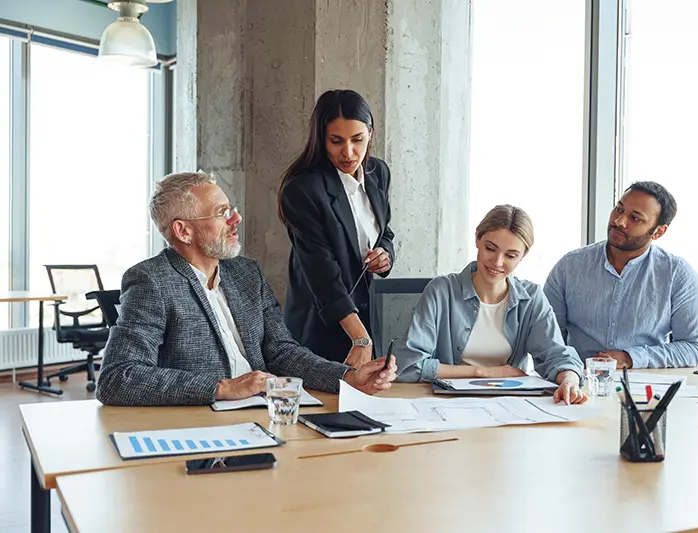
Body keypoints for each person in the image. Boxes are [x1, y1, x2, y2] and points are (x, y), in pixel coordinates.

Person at [95, 172, 396, 407]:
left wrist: (347, 377)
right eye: (221, 212)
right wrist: (223, 387)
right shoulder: (152, 281)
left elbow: (282, 352)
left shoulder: (246, 273)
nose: (236, 219)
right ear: (183, 230)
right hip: (203, 433)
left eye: (232, 209)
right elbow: (118, 378)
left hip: (264, 418)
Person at [396, 205, 586, 405]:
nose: (497, 262)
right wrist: (484, 372)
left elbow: (556, 355)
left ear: (523, 256)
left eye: (510, 255)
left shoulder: (531, 298)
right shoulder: (441, 290)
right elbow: (409, 365)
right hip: (447, 405)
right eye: (490, 248)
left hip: (508, 405)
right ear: (477, 238)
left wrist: (569, 380)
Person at [278, 89, 395, 367]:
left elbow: (385, 231)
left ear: (370, 133)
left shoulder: (378, 172)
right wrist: (360, 338)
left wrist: (385, 253)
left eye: (358, 140)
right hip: (322, 325)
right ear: (321, 138)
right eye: (336, 141)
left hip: (366, 321)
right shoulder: (303, 189)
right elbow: (322, 272)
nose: (348, 152)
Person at [543, 181, 698, 369]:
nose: (619, 221)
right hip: (578, 384)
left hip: (646, 387)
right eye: (619, 209)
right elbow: (548, 338)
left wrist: (629, 358)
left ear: (658, 232)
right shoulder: (570, 266)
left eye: (635, 218)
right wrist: (566, 374)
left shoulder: (677, 275)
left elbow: (693, 348)